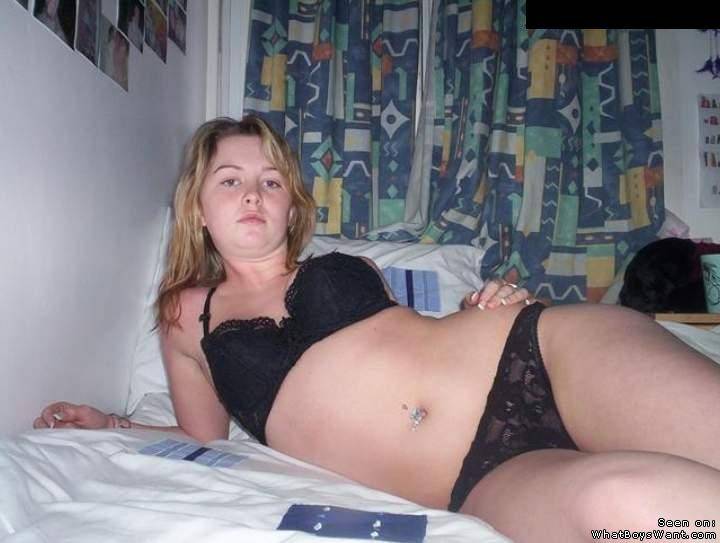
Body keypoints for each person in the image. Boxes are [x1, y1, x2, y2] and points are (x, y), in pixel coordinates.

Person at [36, 117, 720, 542]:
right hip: (478, 476)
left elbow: (413, 340)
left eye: (271, 182)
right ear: (198, 210)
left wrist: (486, 303)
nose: (252, 194)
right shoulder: (187, 313)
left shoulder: (349, 265)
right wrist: (112, 423)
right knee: (638, 512)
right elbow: (201, 436)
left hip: (543, 351)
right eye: (230, 180)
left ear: (292, 206)